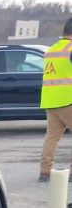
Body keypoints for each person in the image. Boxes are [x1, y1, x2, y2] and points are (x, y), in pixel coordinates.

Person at [39, 17, 72, 182]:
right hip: (68, 100)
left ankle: (45, 172)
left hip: (51, 102)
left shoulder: (51, 50)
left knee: (51, 137)